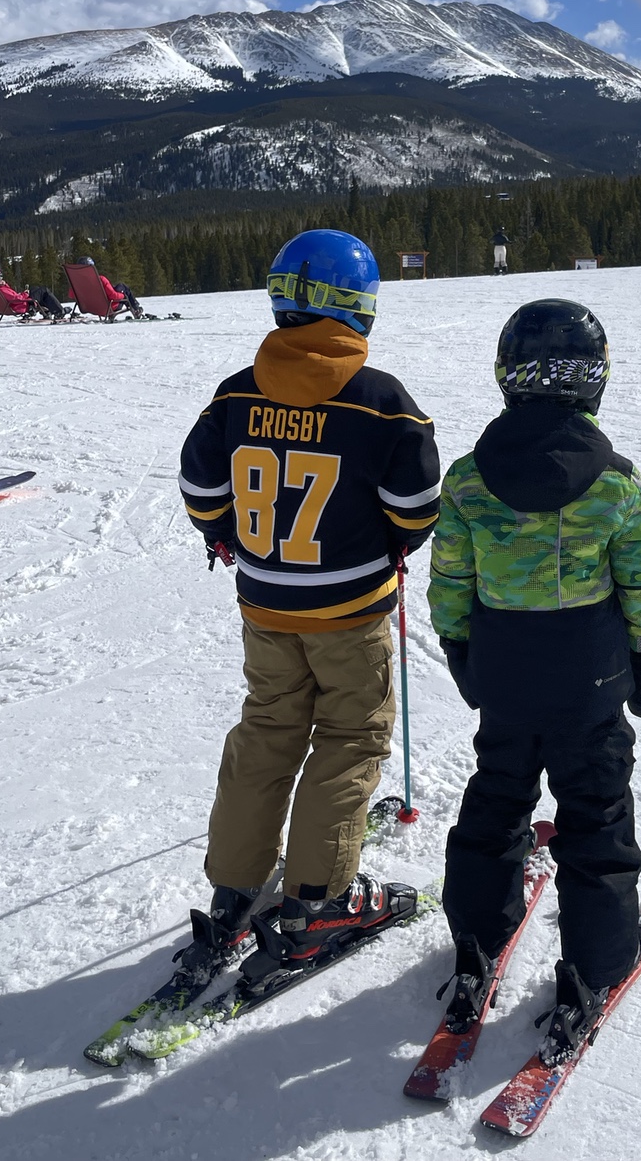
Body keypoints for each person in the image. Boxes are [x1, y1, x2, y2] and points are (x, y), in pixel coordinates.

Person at [177, 228, 442, 989]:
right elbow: (417, 507)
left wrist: (227, 535)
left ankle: (233, 885)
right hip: (352, 610)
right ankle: (315, 901)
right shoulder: (383, 401)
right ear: (358, 308)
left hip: (265, 605)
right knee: (351, 738)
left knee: (268, 728)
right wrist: (385, 543)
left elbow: (201, 488)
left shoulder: (237, 391)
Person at [427, 299, 641, 1065]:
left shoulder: (470, 481)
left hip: (505, 679)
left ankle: (476, 933)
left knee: (498, 797)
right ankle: (598, 960)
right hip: (590, 684)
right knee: (594, 814)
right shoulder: (617, 486)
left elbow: (450, 582)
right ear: (592, 381)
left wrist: (461, 650)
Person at [0, 266, 68, 321]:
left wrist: (24, 293)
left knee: (36, 289)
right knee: (44, 290)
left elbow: (13, 297)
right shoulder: (2, 290)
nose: (1, 279)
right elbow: (16, 299)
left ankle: (48, 311)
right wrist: (25, 294)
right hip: (22, 305)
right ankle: (59, 312)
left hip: (19, 303)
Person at [73, 257, 146, 318]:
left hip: (91, 308)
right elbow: (114, 296)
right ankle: (136, 309)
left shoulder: (77, 283)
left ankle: (135, 308)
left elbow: (71, 294)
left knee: (116, 287)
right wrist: (124, 295)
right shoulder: (100, 280)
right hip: (108, 308)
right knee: (122, 287)